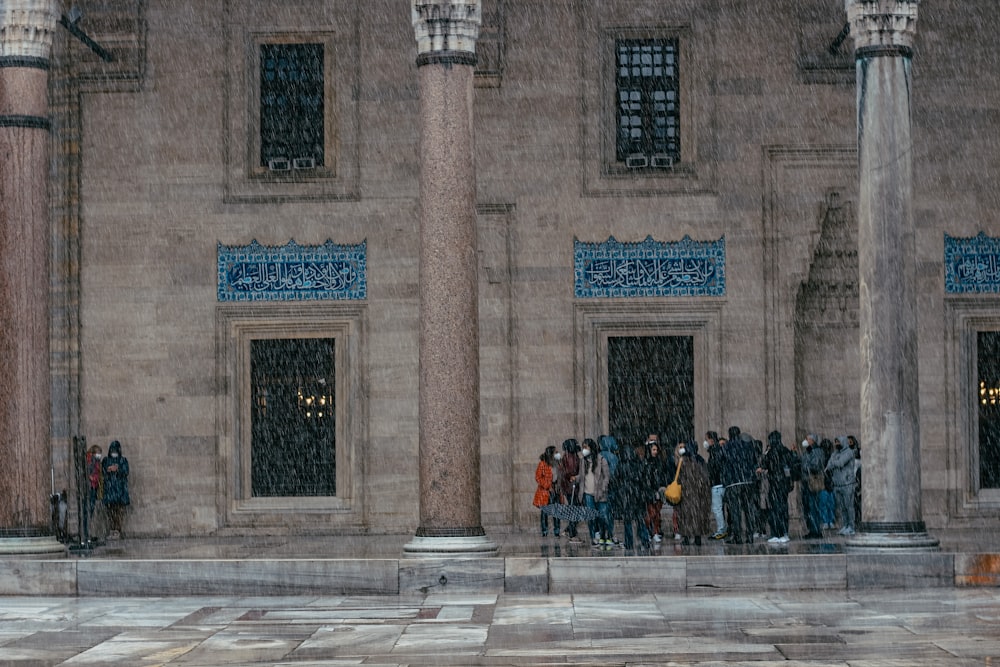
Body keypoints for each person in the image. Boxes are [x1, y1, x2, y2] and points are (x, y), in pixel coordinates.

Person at [608, 443, 650, 550]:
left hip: (626, 496)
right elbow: (643, 480)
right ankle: (645, 540)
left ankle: (629, 542)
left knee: (627, 521)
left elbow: (614, 481)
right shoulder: (639, 464)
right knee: (640, 520)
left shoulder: (621, 466)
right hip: (637, 496)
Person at [722, 426, 757, 544]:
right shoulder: (748, 446)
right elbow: (754, 460)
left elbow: (724, 463)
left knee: (735, 510)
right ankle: (750, 535)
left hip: (733, 482)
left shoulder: (727, 446)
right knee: (748, 509)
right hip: (748, 481)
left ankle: (737, 536)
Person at [674, 441, 712, 545]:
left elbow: (679, 477)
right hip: (698, 493)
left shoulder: (683, 461)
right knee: (697, 516)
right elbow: (705, 478)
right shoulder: (700, 460)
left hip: (686, 493)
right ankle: (697, 537)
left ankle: (686, 537)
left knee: (686, 516)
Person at [759, 431, 794, 543]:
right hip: (783, 484)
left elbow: (764, 464)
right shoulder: (786, 451)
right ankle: (784, 532)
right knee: (783, 508)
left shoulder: (771, 452)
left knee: (775, 509)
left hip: (775, 483)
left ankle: (776, 533)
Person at [576, 439, 610, 546]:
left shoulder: (601, 460)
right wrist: (575, 478)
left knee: (602, 516)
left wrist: (603, 488)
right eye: (583, 447)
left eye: (586, 447)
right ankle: (593, 536)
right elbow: (581, 476)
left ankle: (604, 535)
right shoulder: (583, 461)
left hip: (600, 493)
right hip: (587, 493)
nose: (584, 449)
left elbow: (606, 477)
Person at [826, 435, 857, 535]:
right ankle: (845, 525)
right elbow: (828, 465)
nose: (836, 444)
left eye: (838, 442)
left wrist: (833, 463)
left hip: (847, 483)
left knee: (849, 506)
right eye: (835, 442)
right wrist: (833, 463)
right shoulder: (835, 453)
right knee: (842, 507)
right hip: (837, 484)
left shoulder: (849, 452)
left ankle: (851, 526)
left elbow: (840, 463)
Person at [101, 440, 130, 539]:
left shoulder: (123, 460)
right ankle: (112, 530)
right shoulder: (106, 460)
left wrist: (117, 469)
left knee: (118, 513)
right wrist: (108, 469)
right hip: (110, 491)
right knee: (110, 513)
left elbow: (126, 471)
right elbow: (103, 471)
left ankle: (117, 530)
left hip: (120, 491)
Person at [643, 435, 669, 543]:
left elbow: (662, 475)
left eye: (656, 450)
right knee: (651, 513)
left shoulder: (659, 462)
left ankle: (655, 532)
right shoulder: (645, 463)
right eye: (653, 449)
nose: (655, 452)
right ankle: (649, 532)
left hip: (658, 490)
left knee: (657, 513)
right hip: (649, 491)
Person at [800, 434, 826, 539]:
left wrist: (805, 467)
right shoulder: (807, 451)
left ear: (812, 440)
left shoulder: (818, 451)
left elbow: (816, 465)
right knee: (807, 507)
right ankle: (811, 529)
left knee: (813, 507)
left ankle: (816, 530)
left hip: (813, 482)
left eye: (807, 439)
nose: (805, 440)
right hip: (806, 482)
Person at [557, 438, 582, 541]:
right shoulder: (570, 457)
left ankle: (570, 530)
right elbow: (569, 472)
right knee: (576, 510)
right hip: (572, 487)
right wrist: (573, 477)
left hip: (569, 487)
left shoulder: (568, 456)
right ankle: (571, 532)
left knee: (575, 510)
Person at [597, 435, 620, 545]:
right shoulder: (613, 457)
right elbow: (614, 473)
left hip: (599, 489)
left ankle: (602, 535)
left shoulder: (599, 456)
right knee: (609, 513)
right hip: (611, 489)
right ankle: (609, 534)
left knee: (602, 512)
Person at [533, 446, 557, 536]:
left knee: (556, 511)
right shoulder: (542, 464)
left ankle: (556, 530)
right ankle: (544, 530)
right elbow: (538, 477)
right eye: (555, 452)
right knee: (544, 512)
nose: (557, 454)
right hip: (545, 491)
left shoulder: (557, 463)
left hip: (556, 490)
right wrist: (547, 486)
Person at [707, 434, 727, 539]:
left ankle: (721, 530)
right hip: (722, 484)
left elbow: (712, 470)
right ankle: (723, 529)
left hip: (717, 485)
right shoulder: (722, 453)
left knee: (717, 509)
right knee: (720, 509)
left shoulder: (714, 453)